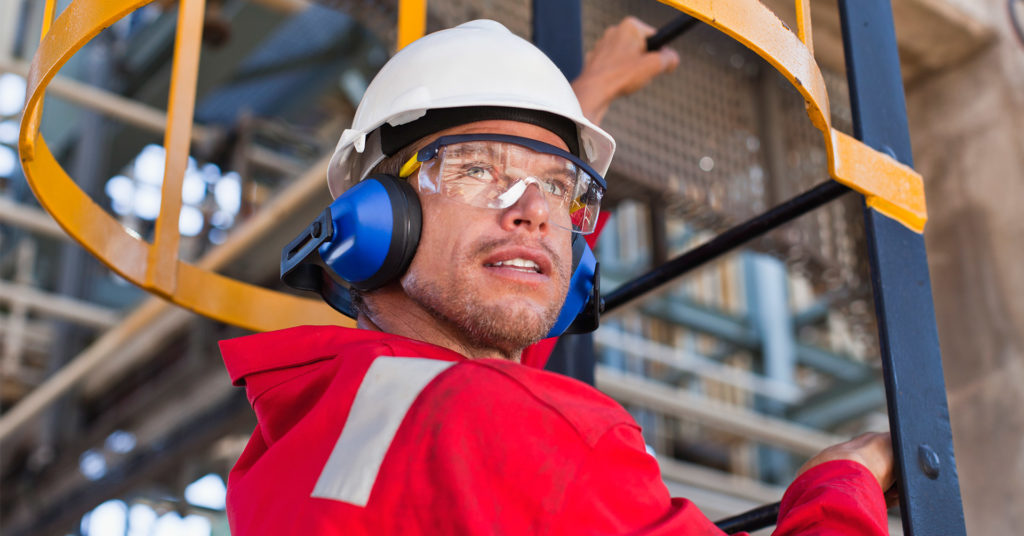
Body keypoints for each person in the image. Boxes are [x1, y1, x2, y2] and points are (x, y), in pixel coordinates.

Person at [219, 17, 894, 535]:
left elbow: (471, 387)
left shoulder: (298, 437)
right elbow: (493, 414)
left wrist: (585, 99)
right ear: (376, 220)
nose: (537, 214)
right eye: (476, 170)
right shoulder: (540, 433)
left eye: (559, 188)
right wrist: (842, 483)